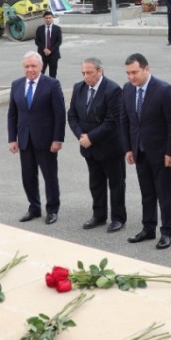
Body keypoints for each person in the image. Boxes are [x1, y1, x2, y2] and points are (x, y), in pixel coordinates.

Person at [119, 53, 171, 248]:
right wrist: (128, 148)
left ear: (147, 69)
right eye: (128, 73)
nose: (131, 77)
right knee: (147, 193)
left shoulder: (164, 90)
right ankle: (148, 228)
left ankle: (167, 231)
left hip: (162, 154)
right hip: (140, 151)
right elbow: (125, 120)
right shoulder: (127, 90)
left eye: (134, 72)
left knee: (165, 194)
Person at [67, 57, 126, 232]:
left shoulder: (113, 90)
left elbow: (112, 121)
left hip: (110, 147)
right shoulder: (79, 88)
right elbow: (72, 116)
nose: (86, 76)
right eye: (83, 73)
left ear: (100, 71)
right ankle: (99, 215)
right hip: (88, 147)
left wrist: (91, 137)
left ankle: (118, 218)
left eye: (90, 73)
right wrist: (81, 136)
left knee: (116, 183)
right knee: (96, 182)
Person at [8, 51, 64, 224]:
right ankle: (34, 207)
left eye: (33, 66)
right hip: (25, 139)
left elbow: (60, 114)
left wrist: (57, 139)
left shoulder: (52, 84)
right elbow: (12, 114)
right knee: (28, 176)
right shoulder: (16, 85)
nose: (30, 69)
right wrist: (12, 138)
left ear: (41, 66)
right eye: (27, 66)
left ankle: (52, 210)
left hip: (46, 140)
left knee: (49, 176)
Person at [34, 10, 62, 78]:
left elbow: (59, 41)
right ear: (44, 19)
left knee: (53, 74)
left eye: (50, 18)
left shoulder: (57, 29)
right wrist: (44, 49)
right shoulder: (40, 29)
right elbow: (37, 41)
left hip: (53, 55)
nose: (48, 19)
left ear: (52, 18)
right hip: (42, 55)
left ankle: (52, 88)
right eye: (46, 18)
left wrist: (50, 50)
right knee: (40, 73)